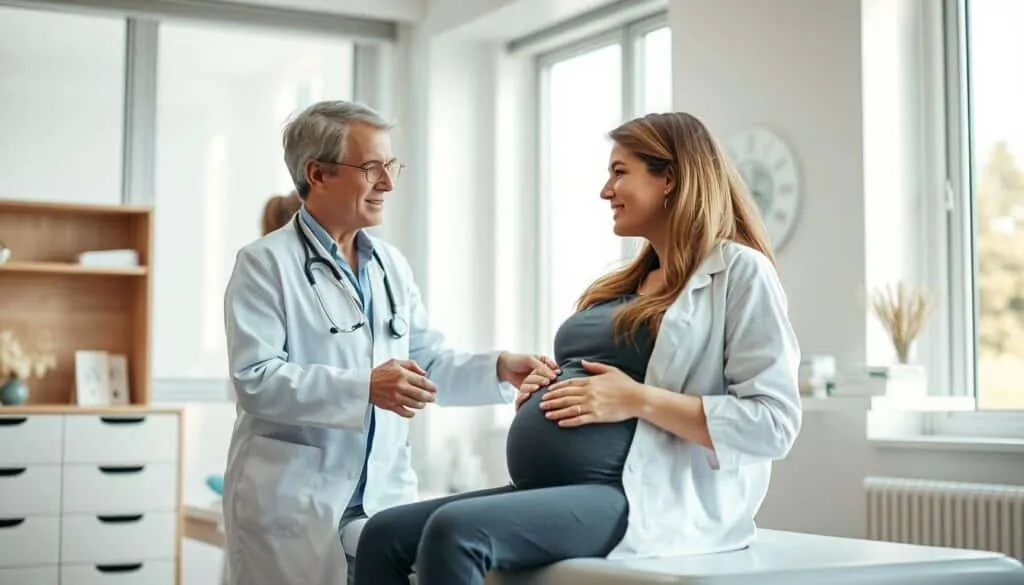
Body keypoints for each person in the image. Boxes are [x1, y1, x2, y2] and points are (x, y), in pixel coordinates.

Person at [352, 112, 803, 585]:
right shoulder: (622, 282)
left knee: (456, 533)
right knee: (382, 534)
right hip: (557, 486)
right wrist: (543, 385)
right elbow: (588, 374)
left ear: (669, 178)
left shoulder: (739, 273)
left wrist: (637, 399)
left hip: (636, 493)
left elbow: (773, 424)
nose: (605, 191)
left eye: (619, 172)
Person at [221, 100, 554, 585]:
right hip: (296, 504)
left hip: (384, 501)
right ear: (318, 173)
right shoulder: (264, 264)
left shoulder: (388, 265)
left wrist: (499, 368)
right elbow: (256, 379)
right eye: (372, 168)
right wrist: (363, 388)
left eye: (391, 166)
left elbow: (425, 365)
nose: (389, 183)